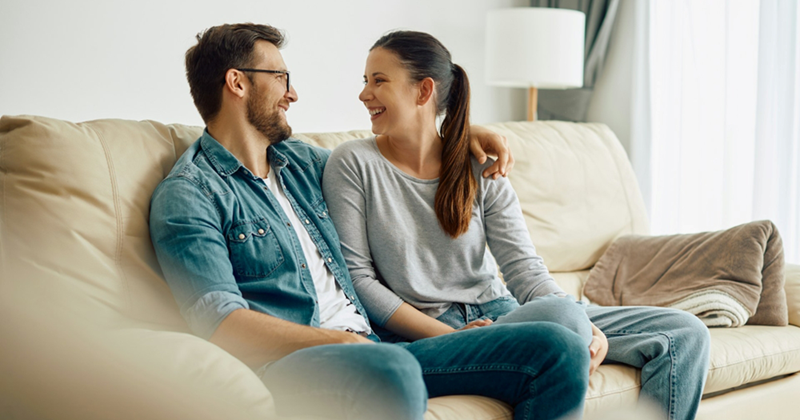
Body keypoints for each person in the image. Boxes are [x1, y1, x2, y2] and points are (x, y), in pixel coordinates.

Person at [150, 23, 590, 420]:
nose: (292, 94)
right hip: (299, 362)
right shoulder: (189, 195)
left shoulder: (302, 163)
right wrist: (340, 342)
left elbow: (397, 156)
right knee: (393, 369)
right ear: (237, 82)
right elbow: (221, 323)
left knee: (559, 346)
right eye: (281, 77)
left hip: (380, 348)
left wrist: (457, 134)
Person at [322, 30, 712, 420]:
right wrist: (454, 337)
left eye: (378, 81)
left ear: (423, 91)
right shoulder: (352, 163)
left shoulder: (478, 161)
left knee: (685, 333)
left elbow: (524, 268)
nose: (364, 94)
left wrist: (573, 316)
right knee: (562, 323)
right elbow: (359, 279)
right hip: (431, 331)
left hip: (505, 312)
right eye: (365, 81)